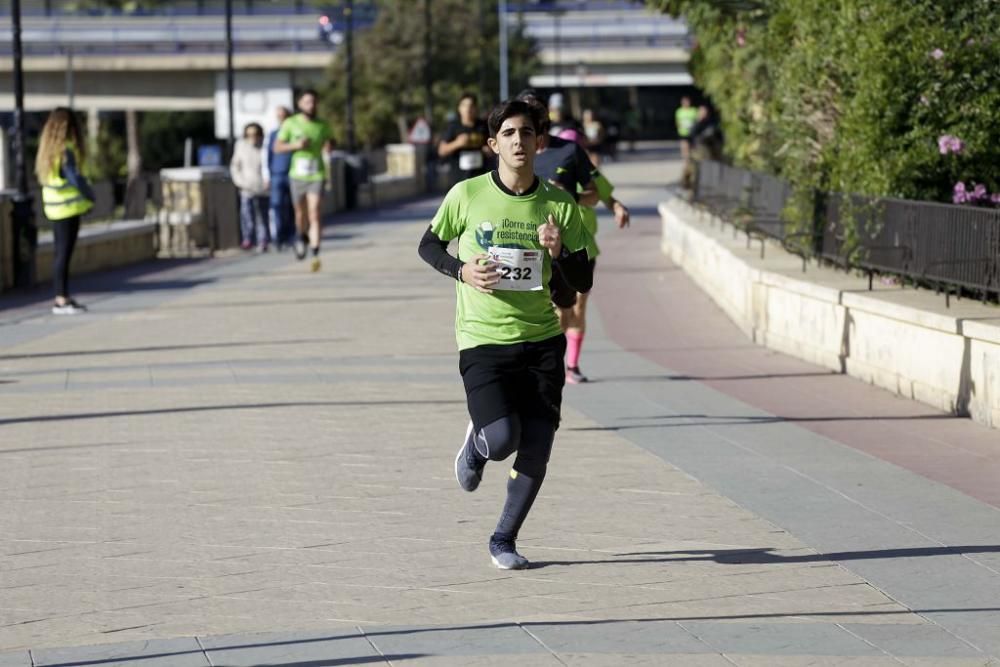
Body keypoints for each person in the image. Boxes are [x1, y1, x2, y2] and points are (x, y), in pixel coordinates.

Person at [417, 99, 595, 570]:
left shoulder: (560, 204)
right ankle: (477, 442)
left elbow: (581, 283)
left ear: (540, 141)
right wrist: (461, 271)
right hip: (484, 338)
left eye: (528, 133)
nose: (520, 141)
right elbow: (428, 244)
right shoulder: (468, 194)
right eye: (510, 133)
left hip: (542, 341)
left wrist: (561, 251)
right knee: (502, 441)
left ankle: (504, 539)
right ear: (493, 144)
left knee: (537, 444)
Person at [552, 128, 631, 384]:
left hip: (586, 250)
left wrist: (617, 207)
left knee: (579, 306)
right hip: (556, 251)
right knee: (558, 310)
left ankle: (572, 365)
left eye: (577, 149)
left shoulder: (587, 174)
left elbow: (605, 195)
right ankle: (554, 361)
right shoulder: (547, 174)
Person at [35, 107, 95, 315]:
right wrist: (90, 196)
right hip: (68, 208)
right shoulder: (66, 150)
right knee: (63, 255)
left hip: (54, 208)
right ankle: (61, 299)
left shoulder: (49, 151)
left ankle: (62, 297)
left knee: (60, 254)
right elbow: (75, 179)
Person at [274, 89, 334, 272]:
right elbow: (277, 147)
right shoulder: (290, 123)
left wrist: (329, 146)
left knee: (315, 212)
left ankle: (315, 253)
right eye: (307, 102)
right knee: (300, 213)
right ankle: (301, 236)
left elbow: (330, 142)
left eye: (314, 102)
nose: (312, 105)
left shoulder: (323, 124)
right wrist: (296, 145)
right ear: (299, 104)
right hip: (297, 175)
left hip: (316, 174)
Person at [230, 122, 270, 252]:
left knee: (262, 216)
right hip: (247, 187)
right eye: (249, 135)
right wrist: (240, 182)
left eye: (255, 134)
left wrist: (268, 181)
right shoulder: (241, 146)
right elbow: (235, 166)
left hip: (263, 188)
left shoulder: (265, 147)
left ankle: (263, 240)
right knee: (247, 214)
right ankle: (248, 239)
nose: (252, 137)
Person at [437, 92, 491, 186]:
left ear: (475, 108)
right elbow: (441, 150)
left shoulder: (483, 126)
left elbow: (493, 146)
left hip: (480, 178)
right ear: (459, 108)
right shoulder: (453, 127)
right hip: (458, 180)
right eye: (464, 105)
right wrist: (457, 143)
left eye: (471, 106)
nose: (468, 109)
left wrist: (489, 150)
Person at [267, 106, 294, 251]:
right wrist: (267, 176)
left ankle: (290, 234)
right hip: (277, 174)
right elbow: (268, 156)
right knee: (277, 206)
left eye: (284, 116)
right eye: (279, 117)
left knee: (291, 206)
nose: (281, 119)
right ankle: (278, 236)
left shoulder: (294, 134)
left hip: (293, 174)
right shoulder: (273, 134)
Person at [675, 96, 699, 161]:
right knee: (684, 146)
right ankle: (686, 159)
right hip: (683, 132)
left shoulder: (693, 110)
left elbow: (697, 120)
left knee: (692, 147)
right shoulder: (679, 111)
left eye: (687, 102)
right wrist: (680, 126)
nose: (686, 103)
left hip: (691, 132)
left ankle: (692, 158)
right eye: (684, 102)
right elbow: (677, 121)